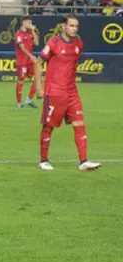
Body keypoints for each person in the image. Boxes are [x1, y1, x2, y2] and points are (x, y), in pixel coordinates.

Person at [34, 15, 102, 172]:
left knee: (79, 123)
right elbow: (38, 62)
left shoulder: (79, 44)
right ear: (63, 26)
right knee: (48, 126)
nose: (74, 29)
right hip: (55, 91)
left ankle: (83, 161)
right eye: (71, 25)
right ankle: (43, 160)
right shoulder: (53, 43)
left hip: (72, 92)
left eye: (76, 26)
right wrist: (38, 87)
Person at [15, 16, 39, 109]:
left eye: (31, 23)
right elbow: (22, 47)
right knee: (21, 80)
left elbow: (36, 43)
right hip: (22, 61)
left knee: (38, 77)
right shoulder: (19, 34)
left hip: (30, 61)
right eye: (29, 22)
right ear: (24, 22)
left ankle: (29, 99)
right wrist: (31, 56)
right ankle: (19, 103)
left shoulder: (29, 32)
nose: (31, 24)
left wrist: (33, 30)